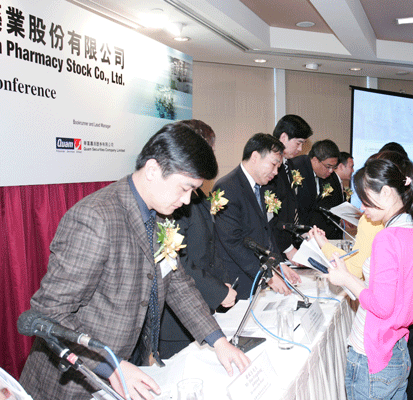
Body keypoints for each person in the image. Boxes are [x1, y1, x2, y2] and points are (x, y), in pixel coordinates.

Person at [19, 123, 250, 400]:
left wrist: (217, 339)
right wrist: (110, 364)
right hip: (72, 382)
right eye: (184, 188)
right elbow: (49, 313)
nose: (187, 200)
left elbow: (177, 283)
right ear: (153, 170)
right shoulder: (96, 218)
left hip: (129, 367)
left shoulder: (161, 215)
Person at [321, 158, 413, 400]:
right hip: (397, 348)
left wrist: (346, 279)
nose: (362, 208)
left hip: (374, 353)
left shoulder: (387, 238)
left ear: (387, 192)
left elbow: (381, 306)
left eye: (366, 199)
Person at [158, 119, 237, 359]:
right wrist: (216, 291)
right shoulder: (171, 199)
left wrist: (223, 283)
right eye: (208, 151)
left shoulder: (198, 193)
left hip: (203, 307)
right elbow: (177, 263)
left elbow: (211, 246)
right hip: (176, 321)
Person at [213, 133, 300, 300]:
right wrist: (266, 274)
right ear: (255, 157)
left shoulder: (263, 187)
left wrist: (278, 264)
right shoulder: (227, 188)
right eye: (273, 164)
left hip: (259, 276)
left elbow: (266, 231)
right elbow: (232, 242)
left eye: (278, 167)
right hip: (239, 279)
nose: (276, 172)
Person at [267, 114, 313, 262]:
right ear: (283, 137)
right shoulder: (269, 169)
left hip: (287, 243)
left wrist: (302, 233)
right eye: (298, 143)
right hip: (274, 246)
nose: (300, 149)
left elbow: (291, 207)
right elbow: (270, 216)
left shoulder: (289, 164)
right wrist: (287, 248)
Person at [291, 139, 342, 239]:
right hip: (299, 235)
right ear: (315, 160)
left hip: (322, 235)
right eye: (328, 166)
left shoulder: (332, 178)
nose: (331, 171)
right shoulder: (296, 169)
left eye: (334, 167)